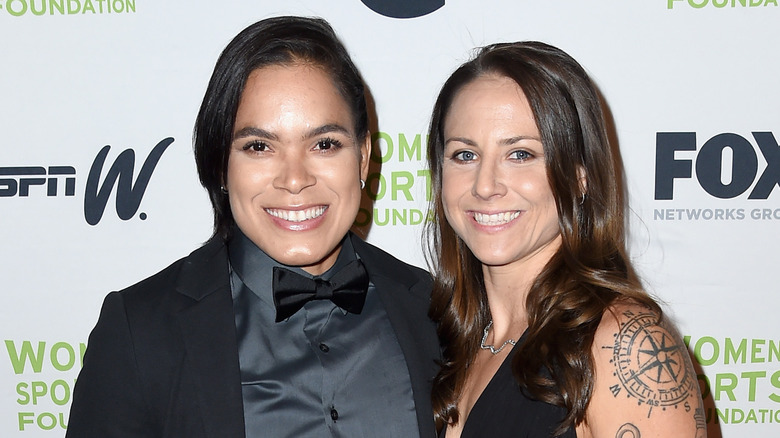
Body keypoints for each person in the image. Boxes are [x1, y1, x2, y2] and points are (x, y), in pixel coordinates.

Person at [67, 16, 440, 437]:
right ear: (221, 166)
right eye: (259, 146)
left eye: (324, 144)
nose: (295, 179)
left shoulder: (432, 310)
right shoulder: (141, 331)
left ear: (363, 156)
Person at [424, 41, 706, 438]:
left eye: (520, 154)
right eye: (464, 155)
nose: (485, 186)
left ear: (579, 176)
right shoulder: (443, 338)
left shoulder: (622, 342)